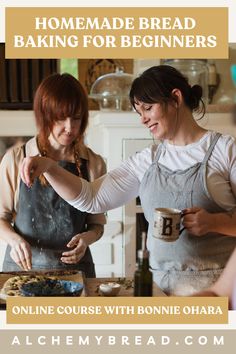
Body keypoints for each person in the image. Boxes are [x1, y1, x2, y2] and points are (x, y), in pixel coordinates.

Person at [20, 65, 236, 295]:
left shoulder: (225, 150)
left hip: (218, 291)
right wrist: (50, 167)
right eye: (138, 112)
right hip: (159, 290)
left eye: (148, 108)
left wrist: (214, 223)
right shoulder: (147, 160)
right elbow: (92, 199)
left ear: (175, 98)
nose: (143, 119)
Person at [0, 73, 106, 277]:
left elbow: (97, 224)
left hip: (76, 273)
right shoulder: (15, 159)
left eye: (76, 118)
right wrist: (15, 240)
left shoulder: (93, 163)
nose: (70, 128)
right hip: (21, 272)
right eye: (60, 118)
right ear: (44, 115)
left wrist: (87, 239)